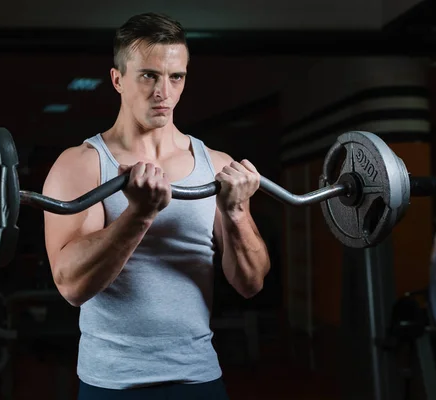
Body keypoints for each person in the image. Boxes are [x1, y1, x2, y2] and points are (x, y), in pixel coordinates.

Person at [43, 12, 271, 400]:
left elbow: (251, 283)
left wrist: (235, 213)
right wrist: (140, 214)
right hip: (111, 383)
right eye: (148, 75)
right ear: (118, 79)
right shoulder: (81, 164)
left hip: (198, 377)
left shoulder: (214, 165)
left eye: (175, 77)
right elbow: (71, 286)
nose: (163, 92)